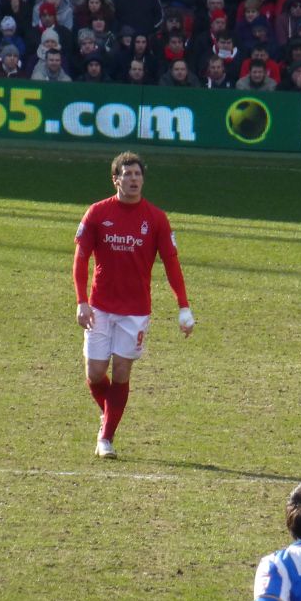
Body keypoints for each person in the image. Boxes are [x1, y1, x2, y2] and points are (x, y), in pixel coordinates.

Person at [72, 152, 194, 460]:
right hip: (99, 306)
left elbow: (171, 263)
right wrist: (81, 301)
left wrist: (183, 306)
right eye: (127, 175)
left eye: (138, 174)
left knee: (122, 370)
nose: (134, 179)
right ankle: (110, 412)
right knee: (96, 372)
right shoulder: (97, 213)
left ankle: (106, 437)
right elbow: (81, 258)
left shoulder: (156, 218)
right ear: (116, 179)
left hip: (135, 310)